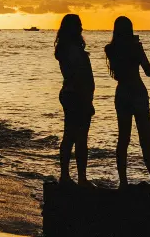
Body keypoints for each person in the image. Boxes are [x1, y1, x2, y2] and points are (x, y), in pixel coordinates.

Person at [105, 16, 150, 192]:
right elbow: (148, 71)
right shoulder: (135, 48)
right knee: (146, 142)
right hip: (138, 93)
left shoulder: (110, 49)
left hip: (122, 93)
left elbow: (117, 74)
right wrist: (139, 51)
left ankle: (123, 183)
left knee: (123, 140)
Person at [55, 14, 94, 185]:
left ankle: (67, 176)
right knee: (79, 138)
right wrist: (86, 100)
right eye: (78, 25)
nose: (81, 28)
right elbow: (79, 75)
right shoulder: (72, 50)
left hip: (72, 93)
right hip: (77, 95)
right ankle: (80, 178)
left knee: (70, 136)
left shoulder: (67, 48)